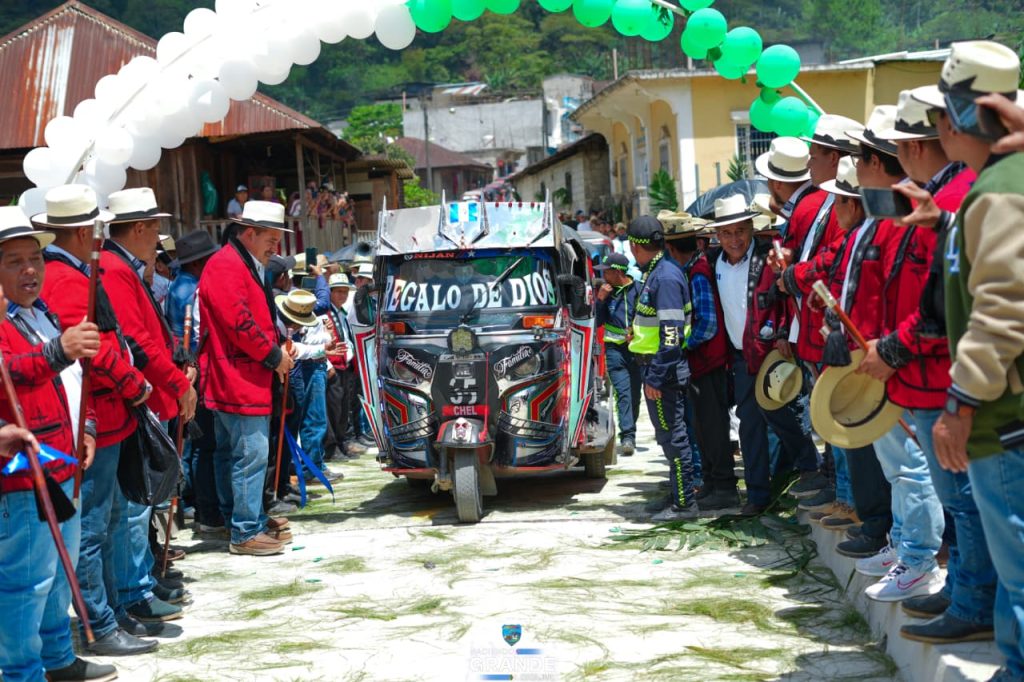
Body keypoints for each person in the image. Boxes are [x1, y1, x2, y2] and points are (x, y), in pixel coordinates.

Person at [904, 41, 1024, 680]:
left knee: (1019, 570)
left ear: (962, 117)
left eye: (940, 115)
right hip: (1000, 413)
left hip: (1002, 416)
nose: (938, 129)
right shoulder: (989, 189)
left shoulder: (1001, 189)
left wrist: (961, 403)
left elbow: (1001, 311)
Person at [861, 86, 995, 643]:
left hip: (941, 375)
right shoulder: (943, 194)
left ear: (917, 145)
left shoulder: (959, 196)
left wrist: (892, 349)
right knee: (958, 500)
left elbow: (941, 303)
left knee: (964, 501)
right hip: (929, 373)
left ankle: (975, 603)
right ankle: (964, 590)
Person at [34, 187, 164, 651]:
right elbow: (94, 350)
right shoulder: (65, 278)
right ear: (81, 230)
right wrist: (134, 383)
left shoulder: (71, 272)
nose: (99, 234)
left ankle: (111, 614)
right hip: (98, 415)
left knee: (104, 522)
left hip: (103, 413)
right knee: (92, 527)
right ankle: (100, 625)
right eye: (95, 226)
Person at [0, 212, 117, 682]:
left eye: (35, 258)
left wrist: (86, 425)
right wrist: (59, 350)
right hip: (23, 474)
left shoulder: (42, 312)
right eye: (14, 262)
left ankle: (57, 659)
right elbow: (12, 372)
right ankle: (21, 673)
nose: (30, 270)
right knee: (25, 584)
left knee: (56, 576)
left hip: (61, 462)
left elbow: (72, 378)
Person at [101, 188, 196, 624]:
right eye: (155, 227)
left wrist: (177, 364)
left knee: (137, 505)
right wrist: (175, 382)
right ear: (139, 227)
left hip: (146, 392)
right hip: (138, 396)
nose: (158, 236)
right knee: (133, 506)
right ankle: (133, 589)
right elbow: (135, 341)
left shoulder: (122, 267)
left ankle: (138, 581)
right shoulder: (115, 270)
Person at [708, 195, 818, 517]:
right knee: (750, 425)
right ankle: (757, 494)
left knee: (784, 416)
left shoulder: (767, 258)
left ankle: (811, 469)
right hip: (741, 357)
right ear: (717, 235)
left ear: (751, 228)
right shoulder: (713, 262)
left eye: (740, 231)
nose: (734, 239)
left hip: (771, 353)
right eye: (727, 233)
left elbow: (786, 298)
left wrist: (784, 333)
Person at [198, 200, 294, 556]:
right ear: (250, 233)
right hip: (237, 376)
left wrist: (277, 348)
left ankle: (241, 519)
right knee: (250, 454)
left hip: (241, 374)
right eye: (271, 239)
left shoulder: (239, 262)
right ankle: (244, 529)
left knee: (235, 453)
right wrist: (274, 355)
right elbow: (238, 321)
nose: (275, 248)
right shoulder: (226, 264)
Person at [626, 216, 699, 521]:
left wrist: (655, 377)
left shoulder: (665, 277)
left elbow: (671, 335)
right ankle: (678, 493)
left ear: (634, 245)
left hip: (663, 372)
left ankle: (685, 503)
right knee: (668, 436)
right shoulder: (657, 272)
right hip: (657, 367)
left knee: (673, 437)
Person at [663, 213, 736, 510]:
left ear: (671, 248)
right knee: (703, 429)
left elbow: (706, 324)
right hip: (702, 363)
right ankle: (711, 482)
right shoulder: (695, 270)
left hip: (709, 363)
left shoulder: (698, 273)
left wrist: (682, 345)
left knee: (714, 428)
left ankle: (725, 487)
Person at [276, 289, 343, 487]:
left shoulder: (289, 328)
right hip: (306, 367)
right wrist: (323, 350)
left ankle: (311, 467)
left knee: (312, 420)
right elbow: (299, 349)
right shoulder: (282, 330)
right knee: (312, 420)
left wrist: (324, 350)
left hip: (311, 364)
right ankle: (309, 469)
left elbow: (301, 348)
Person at [594, 253, 641, 456]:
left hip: (638, 350)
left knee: (635, 394)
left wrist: (636, 332)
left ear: (618, 272)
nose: (603, 275)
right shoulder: (606, 293)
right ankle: (627, 436)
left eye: (606, 271)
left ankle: (630, 429)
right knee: (623, 393)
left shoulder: (640, 289)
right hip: (614, 350)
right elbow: (597, 321)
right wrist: (600, 300)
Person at [323, 273, 362, 460]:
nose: (343, 295)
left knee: (343, 408)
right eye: (338, 291)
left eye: (345, 291)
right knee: (333, 409)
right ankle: (331, 448)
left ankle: (340, 443)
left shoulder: (341, 313)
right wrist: (328, 364)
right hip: (334, 367)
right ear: (330, 292)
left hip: (345, 366)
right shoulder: (325, 314)